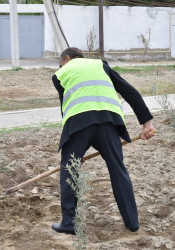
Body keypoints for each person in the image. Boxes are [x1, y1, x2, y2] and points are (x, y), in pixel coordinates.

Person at [51, 47, 155, 235]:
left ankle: (68, 223)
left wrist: (73, 151)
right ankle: (132, 222)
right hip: (109, 122)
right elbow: (129, 91)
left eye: (60, 63)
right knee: (118, 168)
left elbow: (66, 109)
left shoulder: (60, 73)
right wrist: (147, 123)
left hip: (79, 124)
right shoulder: (101, 65)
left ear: (66, 59)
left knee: (69, 167)